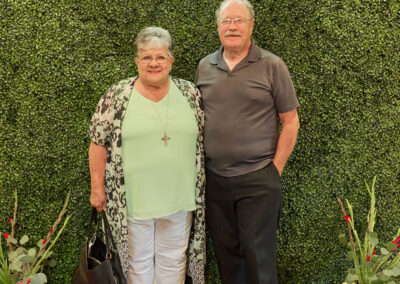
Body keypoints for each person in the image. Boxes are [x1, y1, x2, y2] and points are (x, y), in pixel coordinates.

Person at [89, 27, 205, 284]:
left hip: (180, 198)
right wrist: (97, 189)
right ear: (137, 61)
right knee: (137, 266)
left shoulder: (190, 94)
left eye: (160, 57)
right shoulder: (117, 95)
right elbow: (97, 142)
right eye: (146, 57)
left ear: (171, 61)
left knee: (174, 262)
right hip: (133, 200)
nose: (154, 63)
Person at [195, 0, 300, 283]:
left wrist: (273, 170)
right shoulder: (205, 66)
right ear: (218, 27)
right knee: (227, 256)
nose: (232, 26)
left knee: (258, 257)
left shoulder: (272, 65)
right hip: (215, 179)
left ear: (251, 25)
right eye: (226, 21)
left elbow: (290, 122)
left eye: (239, 20)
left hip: (258, 178)